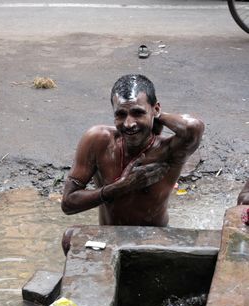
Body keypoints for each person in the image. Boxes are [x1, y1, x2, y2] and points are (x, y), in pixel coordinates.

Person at [61, 74, 204, 254]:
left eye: (138, 112)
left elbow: (194, 128)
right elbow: (68, 203)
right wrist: (121, 187)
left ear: (156, 108)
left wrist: (156, 116)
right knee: (70, 237)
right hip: (109, 237)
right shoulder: (98, 140)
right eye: (121, 114)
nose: (128, 124)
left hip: (154, 239)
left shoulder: (168, 150)